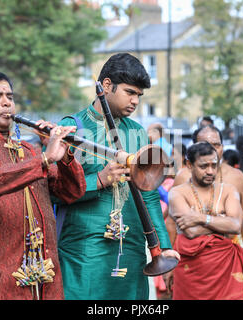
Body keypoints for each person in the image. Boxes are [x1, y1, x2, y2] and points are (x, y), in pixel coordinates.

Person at [0, 71, 86, 300]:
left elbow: (72, 192)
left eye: (9, 97)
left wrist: (63, 157)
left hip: (45, 273)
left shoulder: (30, 150)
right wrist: (43, 160)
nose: (6, 103)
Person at [56, 53, 179, 300]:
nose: (135, 101)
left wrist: (164, 246)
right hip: (84, 247)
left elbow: (150, 195)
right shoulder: (73, 127)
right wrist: (100, 180)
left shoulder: (137, 133)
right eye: (130, 92)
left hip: (132, 244)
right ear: (107, 86)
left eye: (139, 96)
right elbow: (54, 190)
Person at [167, 142, 243, 299]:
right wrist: (221, 220)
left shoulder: (228, 190)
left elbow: (235, 226)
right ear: (189, 165)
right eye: (204, 166)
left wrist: (199, 217)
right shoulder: (177, 193)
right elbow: (191, 232)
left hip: (226, 269)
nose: (210, 171)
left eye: (214, 165)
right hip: (191, 272)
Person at [168, 125, 243, 260]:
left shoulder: (237, 177)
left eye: (216, 145)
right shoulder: (183, 176)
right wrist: (169, 259)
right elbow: (173, 223)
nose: (212, 150)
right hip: (190, 256)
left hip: (228, 255)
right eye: (205, 145)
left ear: (223, 147)